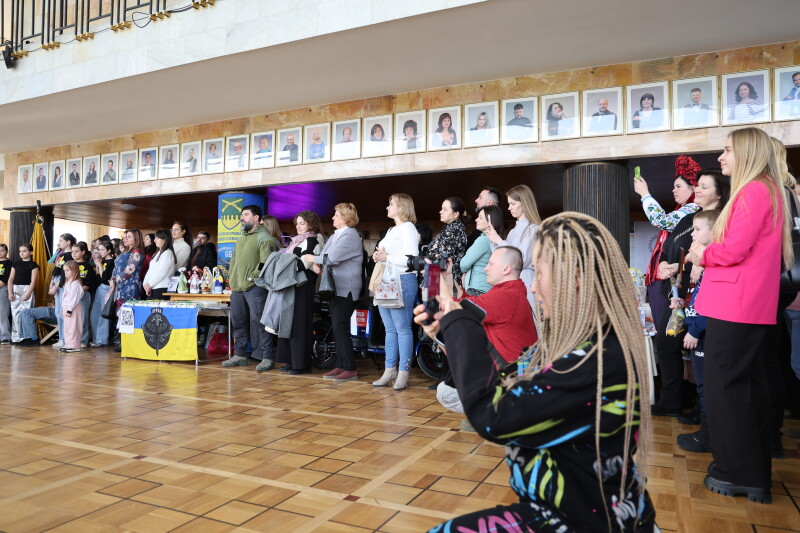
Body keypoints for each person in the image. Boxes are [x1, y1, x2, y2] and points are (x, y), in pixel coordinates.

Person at [415, 212, 656, 533]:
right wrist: (446, 333)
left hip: (588, 522)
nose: (533, 287)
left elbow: (492, 413)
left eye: (539, 273)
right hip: (563, 510)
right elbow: (504, 379)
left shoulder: (597, 359)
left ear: (574, 277)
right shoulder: (572, 346)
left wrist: (456, 320)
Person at [688, 127, 792, 504]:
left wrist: (702, 253)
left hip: (735, 304)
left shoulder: (753, 191)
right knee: (744, 389)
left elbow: (732, 251)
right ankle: (749, 470)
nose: (721, 157)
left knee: (727, 391)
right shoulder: (768, 189)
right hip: (746, 305)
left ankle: (737, 472)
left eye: (728, 150)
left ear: (747, 152)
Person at [651, 168, 728, 418]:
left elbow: (714, 256)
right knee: (668, 344)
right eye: (697, 186)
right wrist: (665, 263)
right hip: (676, 293)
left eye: (704, 186)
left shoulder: (723, 220)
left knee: (699, 348)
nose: (698, 190)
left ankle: (700, 408)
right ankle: (673, 400)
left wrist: (690, 263)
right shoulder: (689, 218)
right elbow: (668, 247)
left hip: (699, 294)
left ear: (719, 193)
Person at [431, 245, 536, 417]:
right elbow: (468, 303)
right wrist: (448, 277)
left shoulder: (507, 296)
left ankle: (495, 416)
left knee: (446, 392)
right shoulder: (511, 291)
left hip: (510, 381)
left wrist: (435, 276)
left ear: (506, 269)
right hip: (512, 373)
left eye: (490, 264)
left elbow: (454, 310)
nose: (485, 268)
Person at [634, 156, 702, 328]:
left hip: (677, 276)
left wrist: (645, 194)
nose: (673, 190)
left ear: (693, 187)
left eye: (678, 186)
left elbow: (662, 221)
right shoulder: (684, 209)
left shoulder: (693, 209)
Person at [302, 203, 363, 382]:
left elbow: (333, 258)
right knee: (337, 326)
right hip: (335, 288)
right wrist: (317, 263)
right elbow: (325, 256)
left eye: (336, 214)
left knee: (339, 326)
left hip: (346, 287)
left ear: (345, 217)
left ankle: (350, 368)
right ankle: (340, 365)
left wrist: (311, 258)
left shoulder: (350, 235)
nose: (333, 217)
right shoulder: (335, 235)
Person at [675, 209, 720, 453]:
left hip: (704, 334)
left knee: (706, 387)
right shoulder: (704, 265)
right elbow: (699, 297)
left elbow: (711, 303)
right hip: (698, 331)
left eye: (698, 229)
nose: (692, 234)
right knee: (702, 385)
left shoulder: (714, 265)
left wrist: (695, 329)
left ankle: (708, 436)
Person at [222, 205, 280, 371]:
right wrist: (232, 278)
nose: (242, 218)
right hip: (238, 287)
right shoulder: (242, 237)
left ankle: (267, 358)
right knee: (238, 321)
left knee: (261, 322)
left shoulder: (265, 238)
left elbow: (266, 263)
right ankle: (240, 355)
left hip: (256, 286)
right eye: (242, 215)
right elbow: (234, 260)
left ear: (256, 218)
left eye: (246, 215)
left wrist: (252, 277)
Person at [371, 194, 420, 390]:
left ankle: (403, 372)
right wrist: (378, 256)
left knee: (402, 329)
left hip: (403, 280)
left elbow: (412, 260)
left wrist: (387, 257)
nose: (387, 207)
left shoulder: (408, 228)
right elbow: (385, 254)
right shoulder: (392, 229)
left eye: (391, 204)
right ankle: (389, 370)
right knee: (390, 329)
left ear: (401, 207)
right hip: (387, 281)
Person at [276, 211, 324, 375]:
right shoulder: (296, 241)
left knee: (300, 323)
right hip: (291, 284)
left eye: (302, 223)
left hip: (303, 285)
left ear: (311, 224)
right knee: (288, 322)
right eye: (297, 223)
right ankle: (290, 361)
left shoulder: (313, 239)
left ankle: (301, 364)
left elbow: (304, 264)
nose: (298, 226)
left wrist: (284, 265)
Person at [484, 184, 542, 315]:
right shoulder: (513, 231)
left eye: (513, 204)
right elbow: (502, 259)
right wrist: (493, 239)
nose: (509, 208)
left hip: (526, 280)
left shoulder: (534, 229)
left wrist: (499, 241)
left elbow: (522, 259)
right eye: (509, 204)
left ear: (524, 203)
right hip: (510, 282)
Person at [109, 229, 145, 342]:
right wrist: (112, 279)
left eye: (129, 237)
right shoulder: (125, 251)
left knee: (127, 313)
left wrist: (116, 280)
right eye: (124, 237)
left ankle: (126, 342)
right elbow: (116, 268)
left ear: (136, 238)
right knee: (119, 312)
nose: (125, 239)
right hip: (120, 286)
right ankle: (120, 340)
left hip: (130, 286)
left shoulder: (137, 252)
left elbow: (130, 269)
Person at [460, 205, 504, 296]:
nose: (476, 220)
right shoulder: (497, 239)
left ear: (489, 222)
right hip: (488, 288)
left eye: (480, 217)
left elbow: (464, 264)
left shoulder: (483, 240)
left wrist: (465, 271)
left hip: (477, 288)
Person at [428, 197, 469, 290]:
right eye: (441, 209)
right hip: (444, 278)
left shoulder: (454, 231)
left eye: (445, 209)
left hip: (447, 280)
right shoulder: (451, 229)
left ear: (456, 214)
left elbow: (443, 259)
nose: (440, 212)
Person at [8, 244, 39, 344]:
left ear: (30, 252)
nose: (21, 253)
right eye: (20, 251)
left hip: (27, 289)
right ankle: (16, 337)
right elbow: (11, 279)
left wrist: (28, 294)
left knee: (26, 314)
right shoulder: (16, 264)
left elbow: (33, 281)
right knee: (15, 314)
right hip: (15, 289)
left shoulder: (33, 265)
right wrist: (10, 292)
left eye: (24, 251)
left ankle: (27, 337)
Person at [50, 233, 77, 349]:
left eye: (61, 240)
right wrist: (51, 283)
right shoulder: (60, 255)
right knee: (58, 312)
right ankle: (61, 337)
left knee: (62, 311)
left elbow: (65, 274)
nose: (59, 243)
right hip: (56, 281)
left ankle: (65, 339)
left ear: (68, 242)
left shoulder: (69, 256)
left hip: (62, 283)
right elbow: (56, 270)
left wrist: (56, 286)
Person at [72, 241, 99, 347]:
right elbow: (64, 280)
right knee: (71, 317)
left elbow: (89, 282)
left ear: (83, 252)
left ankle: (83, 340)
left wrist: (79, 291)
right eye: (72, 252)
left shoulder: (88, 266)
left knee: (83, 318)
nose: (74, 254)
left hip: (83, 294)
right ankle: (71, 339)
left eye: (76, 251)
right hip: (71, 295)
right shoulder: (70, 265)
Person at [89, 240, 115, 347]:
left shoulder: (112, 262)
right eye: (99, 250)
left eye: (102, 250)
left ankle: (102, 340)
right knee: (94, 314)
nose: (100, 252)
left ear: (109, 251)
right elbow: (98, 278)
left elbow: (105, 278)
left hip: (107, 288)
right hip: (99, 288)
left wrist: (99, 266)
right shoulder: (103, 261)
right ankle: (96, 338)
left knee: (104, 314)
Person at [143, 229, 177, 300]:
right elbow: (150, 270)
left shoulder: (168, 253)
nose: (155, 240)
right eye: (155, 238)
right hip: (153, 287)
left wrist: (150, 285)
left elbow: (162, 272)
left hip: (162, 288)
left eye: (157, 238)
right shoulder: (157, 253)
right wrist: (145, 284)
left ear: (165, 239)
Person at [59, 260, 83, 353]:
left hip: (73, 308)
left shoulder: (75, 284)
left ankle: (74, 345)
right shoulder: (68, 283)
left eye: (68, 270)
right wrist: (63, 309)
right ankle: (69, 343)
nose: (66, 273)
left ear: (74, 270)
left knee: (73, 327)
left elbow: (74, 298)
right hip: (67, 307)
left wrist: (69, 310)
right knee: (67, 327)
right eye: (65, 271)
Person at [0, 245, 11, 343]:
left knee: (2, 313)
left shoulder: (9, 263)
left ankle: (5, 336)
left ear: (6, 251)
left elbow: (7, 277)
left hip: (3, 288)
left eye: (2, 251)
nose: (0, 252)